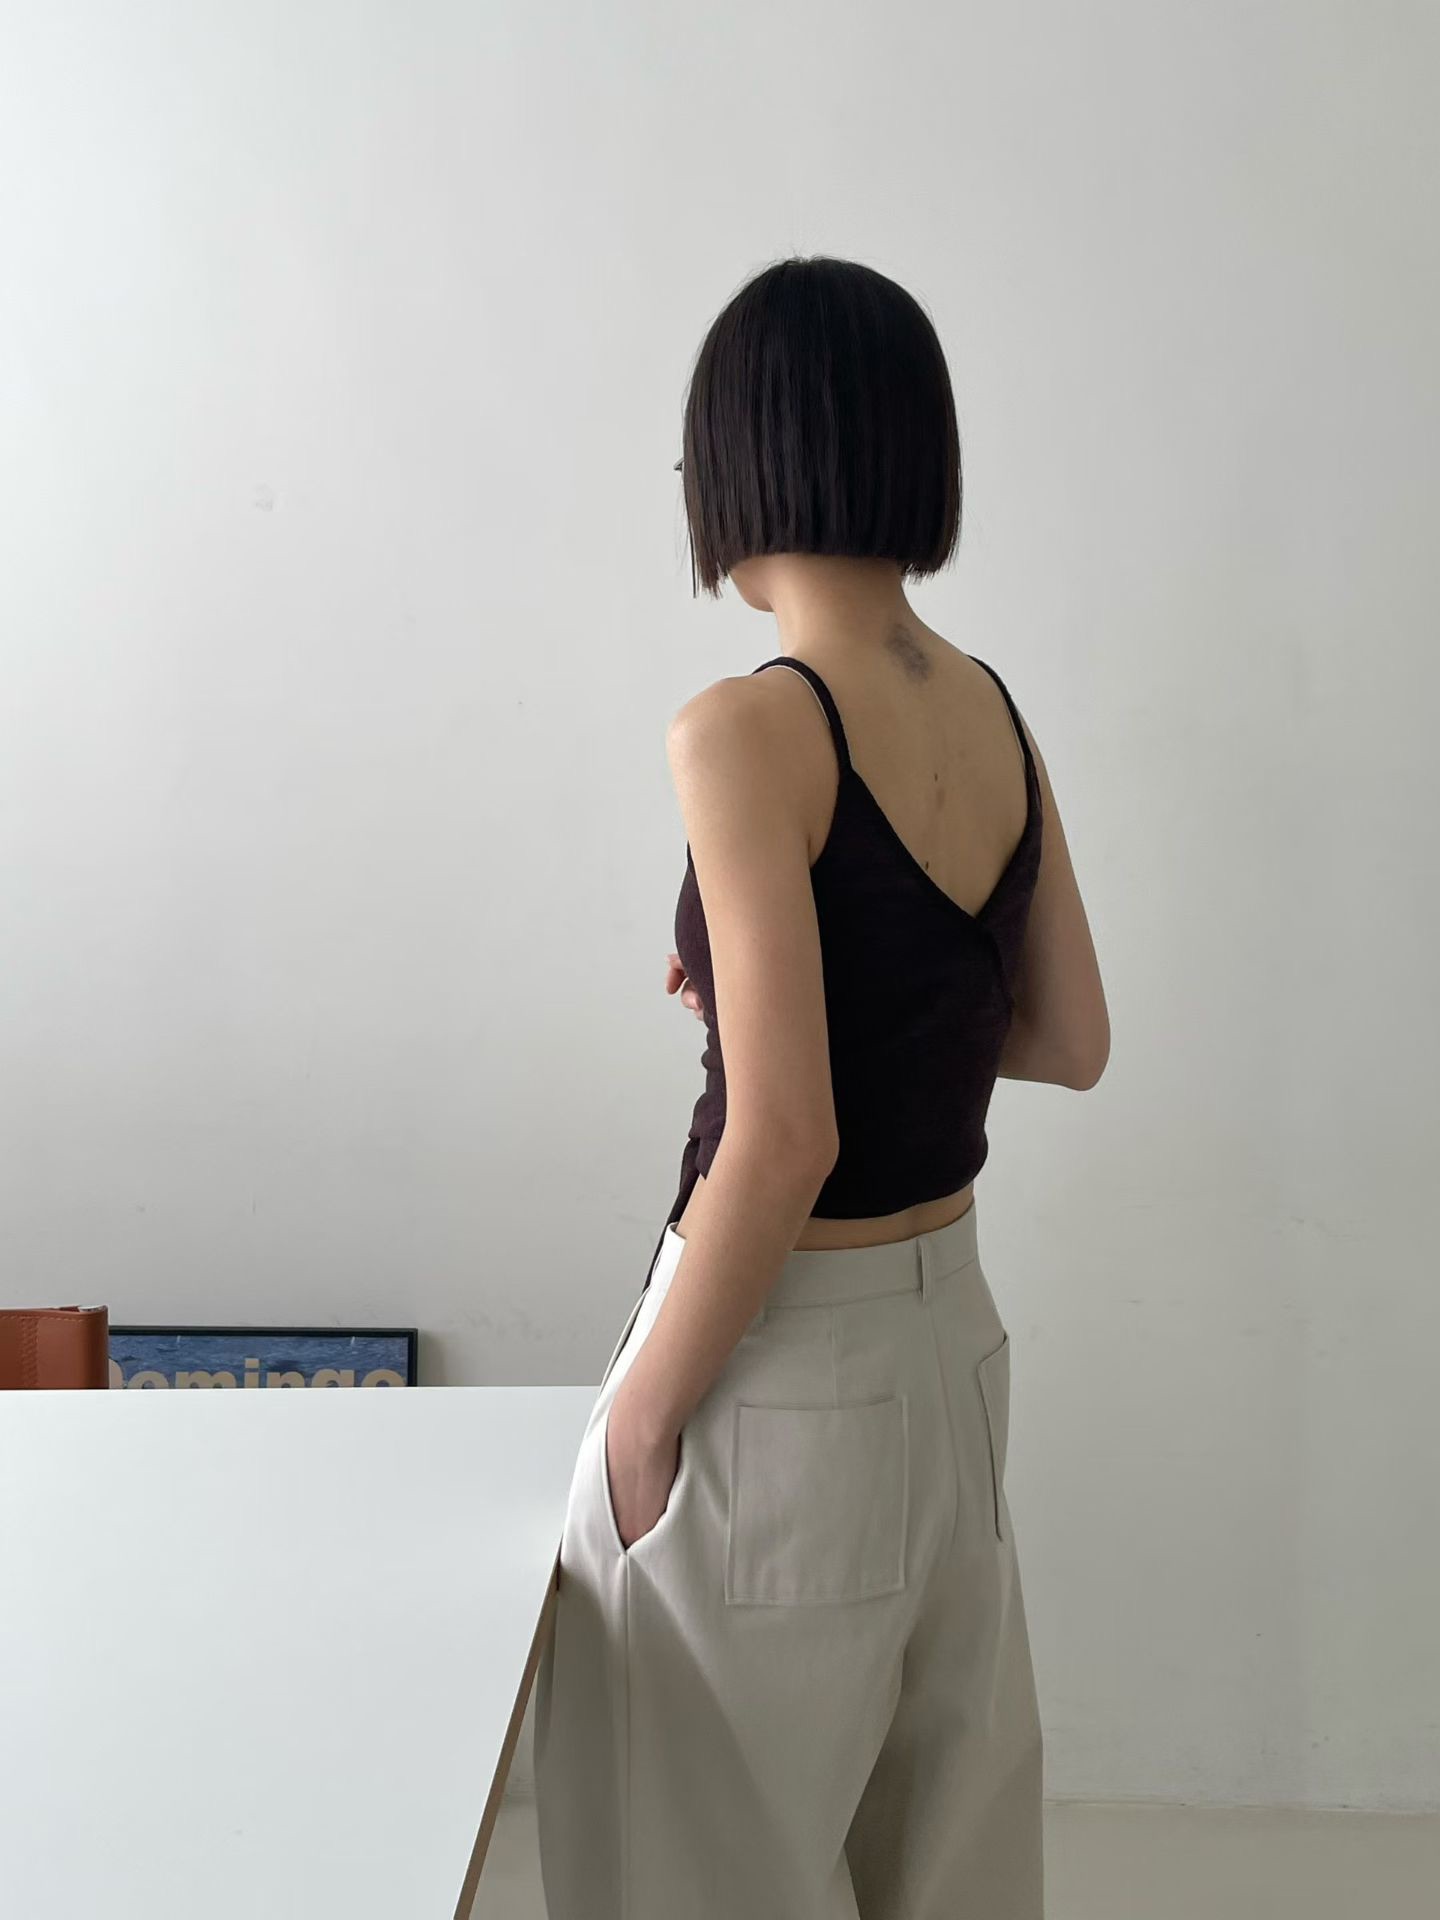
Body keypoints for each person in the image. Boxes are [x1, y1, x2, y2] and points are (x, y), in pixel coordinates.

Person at [533, 255, 1109, 1920]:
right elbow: (1067, 1036)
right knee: (949, 1874)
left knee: (690, 1870)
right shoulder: (994, 712)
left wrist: (645, 1420)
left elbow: (787, 1137)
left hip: (775, 1367)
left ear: (738, 462)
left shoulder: (741, 729)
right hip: (953, 1353)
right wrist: (821, 1001)